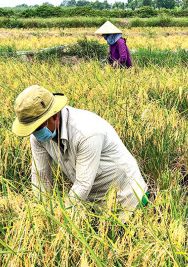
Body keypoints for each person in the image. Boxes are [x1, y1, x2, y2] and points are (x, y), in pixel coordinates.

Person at [11, 85, 148, 222]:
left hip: (127, 198)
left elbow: (83, 184)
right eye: (31, 129)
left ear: (54, 116)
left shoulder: (87, 133)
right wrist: (42, 213)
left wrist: (61, 217)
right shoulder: (38, 137)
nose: (35, 133)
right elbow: (41, 176)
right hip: (95, 202)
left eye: (38, 127)